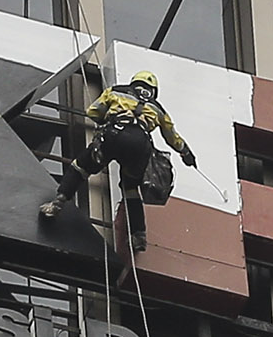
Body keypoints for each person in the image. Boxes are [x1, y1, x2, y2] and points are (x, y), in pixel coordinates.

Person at [81, 68, 196, 245]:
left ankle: (58, 201)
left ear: (134, 83)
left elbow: (92, 112)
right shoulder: (158, 109)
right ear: (153, 91)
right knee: (130, 188)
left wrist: (107, 120)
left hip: (115, 134)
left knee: (82, 166)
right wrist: (186, 153)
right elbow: (172, 137)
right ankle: (139, 235)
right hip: (140, 146)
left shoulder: (116, 91)